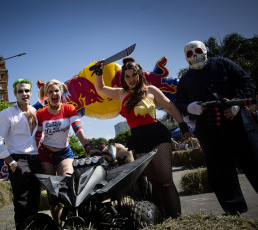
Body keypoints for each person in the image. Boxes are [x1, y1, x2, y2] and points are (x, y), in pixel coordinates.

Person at [94, 57, 191, 219]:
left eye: (134, 75)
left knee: (166, 182)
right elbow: (100, 88)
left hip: (158, 136)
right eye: (127, 76)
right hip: (139, 140)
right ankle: (164, 218)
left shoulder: (151, 90)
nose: (131, 79)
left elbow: (170, 106)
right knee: (156, 185)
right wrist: (99, 71)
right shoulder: (121, 93)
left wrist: (182, 125)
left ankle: (178, 220)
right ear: (123, 78)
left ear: (139, 75)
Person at [175, 40, 258, 215]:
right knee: (220, 173)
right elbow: (179, 103)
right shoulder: (185, 80)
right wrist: (189, 107)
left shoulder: (224, 64)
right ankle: (234, 211)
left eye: (197, 51)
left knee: (254, 162)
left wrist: (237, 103)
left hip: (239, 123)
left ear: (205, 51)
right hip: (209, 130)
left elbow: (247, 82)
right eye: (189, 54)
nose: (194, 56)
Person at [35, 79, 101, 225]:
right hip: (45, 155)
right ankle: (58, 224)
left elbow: (78, 129)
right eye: (50, 92)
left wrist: (88, 148)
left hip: (64, 154)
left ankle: (73, 221)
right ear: (46, 95)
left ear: (61, 92)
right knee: (53, 194)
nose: (54, 94)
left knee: (69, 186)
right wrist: (33, 155)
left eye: (56, 91)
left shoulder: (69, 109)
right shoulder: (40, 114)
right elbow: (38, 137)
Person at [0, 78, 42, 229]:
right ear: (15, 94)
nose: (24, 94)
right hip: (18, 160)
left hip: (36, 160)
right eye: (20, 91)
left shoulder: (36, 112)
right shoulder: (7, 113)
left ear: (31, 93)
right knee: (22, 202)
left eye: (27, 90)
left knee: (35, 200)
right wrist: (11, 162)